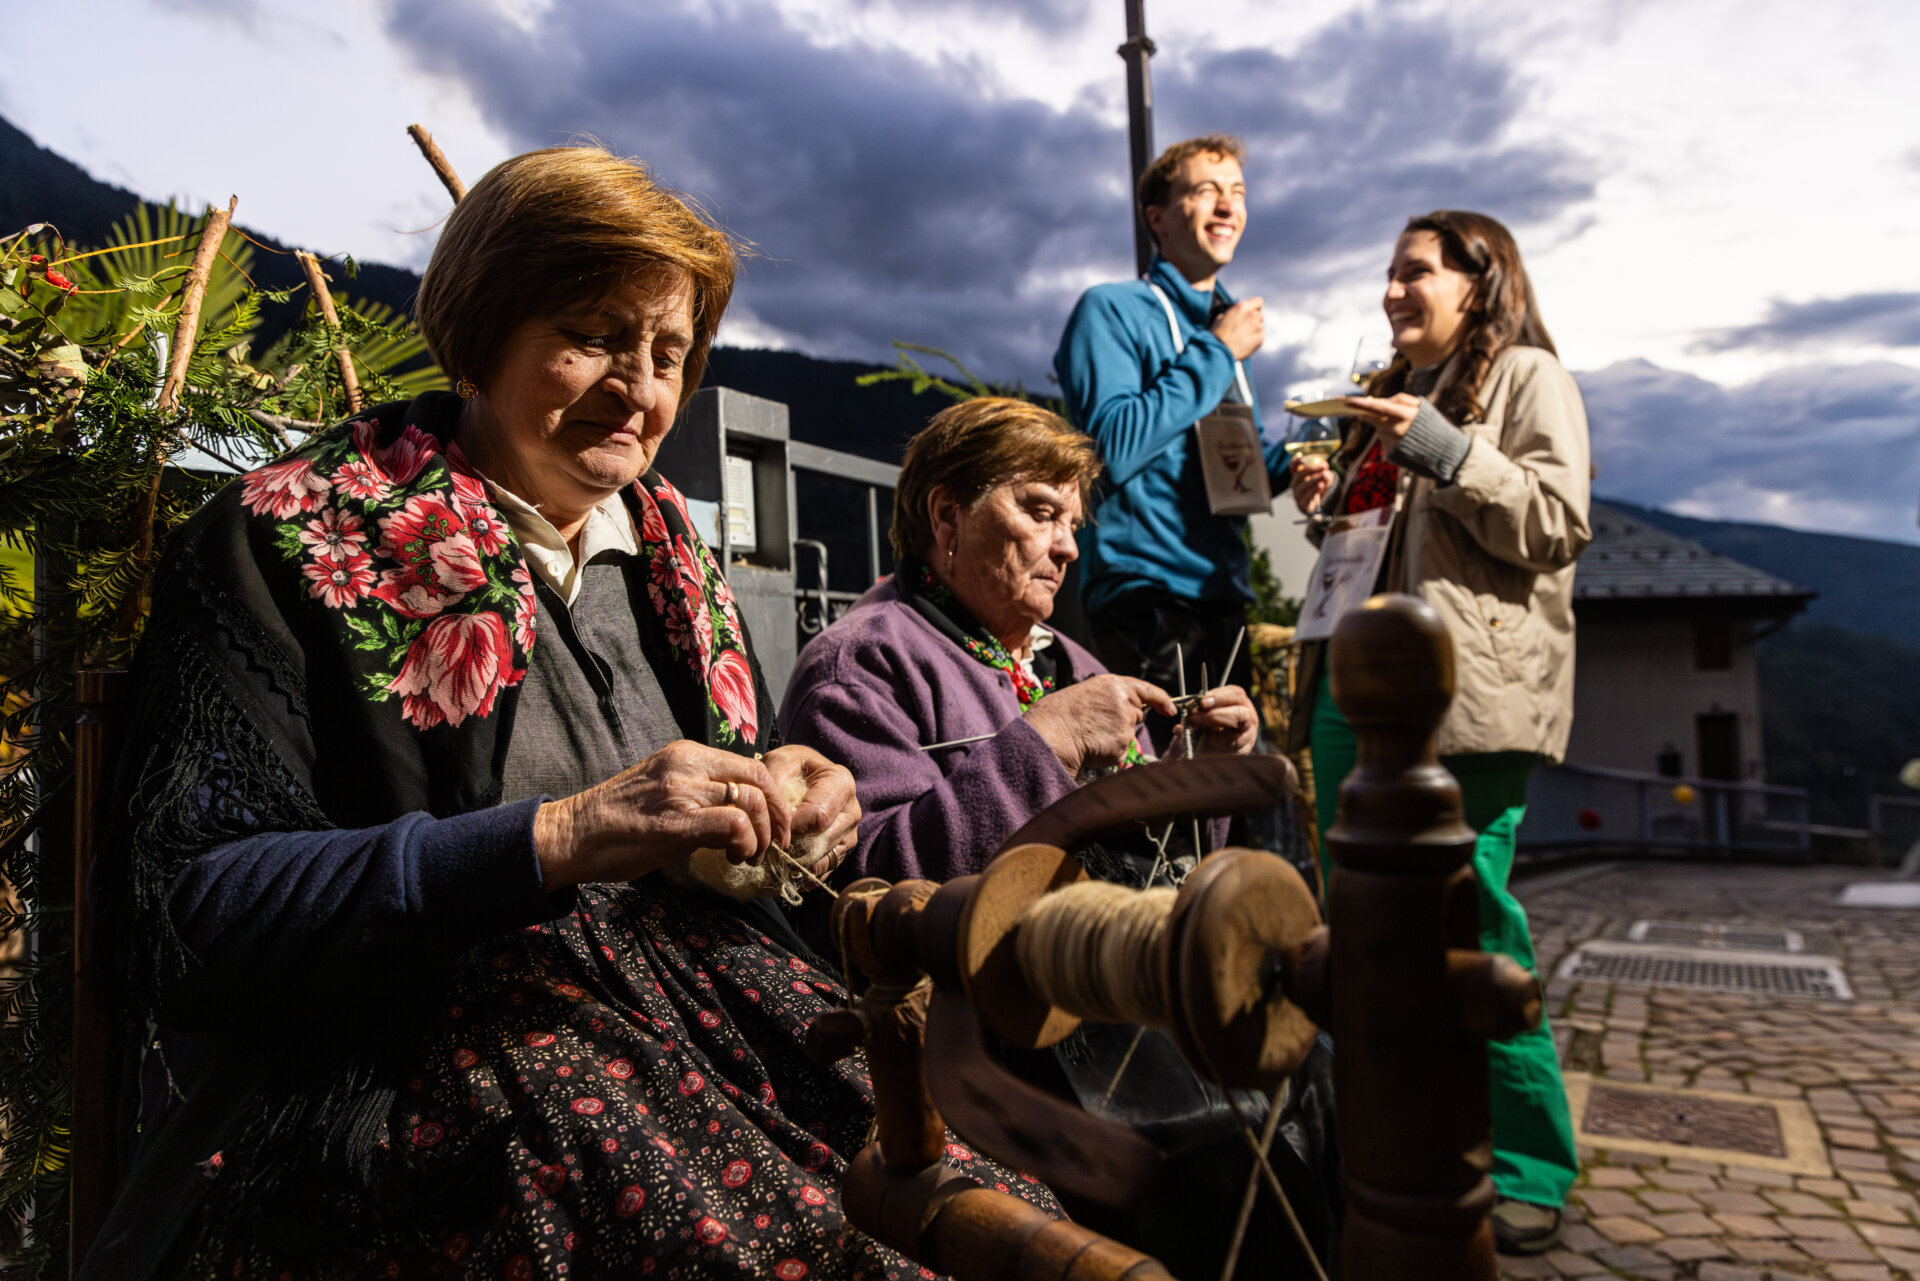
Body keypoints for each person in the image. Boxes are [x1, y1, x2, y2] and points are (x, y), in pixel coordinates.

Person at [84, 146, 1055, 1281]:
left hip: (704, 1027)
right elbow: (196, 913)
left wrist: (789, 807)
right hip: (443, 1065)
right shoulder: (286, 540)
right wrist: (556, 835)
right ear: (482, 328)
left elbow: (718, 833)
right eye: (593, 334)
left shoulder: (671, 560)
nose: (638, 388)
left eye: (668, 352)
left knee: (990, 1205)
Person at [779, 398, 1340, 1280]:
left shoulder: (1068, 661)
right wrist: (1041, 743)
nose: (1069, 545)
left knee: (1318, 1073)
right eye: (1040, 510)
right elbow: (866, 894)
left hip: (1118, 1001)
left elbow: (1162, 870)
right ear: (946, 516)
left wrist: (1198, 772)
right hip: (995, 1038)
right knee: (1207, 1152)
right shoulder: (866, 660)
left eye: (1072, 522)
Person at [1288, 209, 1588, 1255]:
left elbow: (1555, 521)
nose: (1392, 289)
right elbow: (1380, 547)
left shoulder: (1529, 378)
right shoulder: (1392, 402)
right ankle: (1388, 1139)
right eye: (1388, 272)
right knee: (1365, 928)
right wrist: (1327, 503)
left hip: (1464, 699)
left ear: (1481, 280)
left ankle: (1527, 1162)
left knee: (1475, 922)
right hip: (1351, 691)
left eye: (1415, 271)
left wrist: (1435, 443)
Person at [1052, 134, 1285, 746]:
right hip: (1148, 600)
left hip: (1224, 596)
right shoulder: (1111, 310)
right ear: (1157, 216)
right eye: (1206, 190)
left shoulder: (1225, 329)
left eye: (1237, 192)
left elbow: (1236, 463)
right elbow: (1112, 448)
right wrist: (1217, 353)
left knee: (1224, 804)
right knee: (1156, 816)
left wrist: (1302, 464)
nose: (1227, 206)